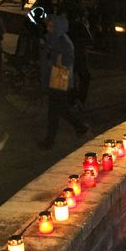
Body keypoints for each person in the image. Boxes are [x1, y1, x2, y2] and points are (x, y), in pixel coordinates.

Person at [37, 14, 90, 150]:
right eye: (48, 26)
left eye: (52, 26)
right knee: (62, 109)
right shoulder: (51, 39)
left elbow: (66, 63)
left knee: (53, 112)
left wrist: (58, 63)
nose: (49, 28)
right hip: (52, 79)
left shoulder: (65, 43)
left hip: (59, 81)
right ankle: (80, 126)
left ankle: (49, 141)